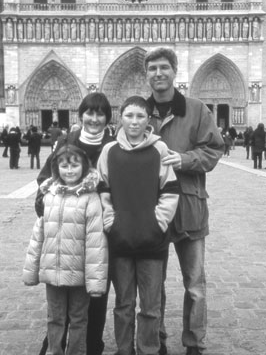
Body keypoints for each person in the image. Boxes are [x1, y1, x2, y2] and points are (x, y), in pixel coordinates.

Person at [144, 47, 224, 355]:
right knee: (153, 285)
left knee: (194, 284)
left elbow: (214, 149)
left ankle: (194, 343)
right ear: (146, 74)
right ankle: (157, 339)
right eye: (152, 68)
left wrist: (185, 159)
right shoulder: (139, 110)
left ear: (175, 71)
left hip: (190, 206)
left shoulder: (197, 108)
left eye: (164, 67)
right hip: (152, 212)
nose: (158, 73)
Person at [97, 95, 179, 355]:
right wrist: (111, 222)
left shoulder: (160, 149)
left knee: (151, 307)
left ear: (148, 120)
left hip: (153, 241)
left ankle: (149, 350)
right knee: (123, 304)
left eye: (140, 116)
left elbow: (170, 190)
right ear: (120, 117)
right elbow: (103, 190)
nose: (134, 121)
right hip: (120, 240)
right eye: (129, 115)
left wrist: (158, 223)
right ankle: (124, 351)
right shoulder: (109, 151)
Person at [35, 92, 114, 355]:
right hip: (66, 234)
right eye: (89, 113)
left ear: (107, 118)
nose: (94, 118)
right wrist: (43, 204)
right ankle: (54, 345)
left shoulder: (113, 146)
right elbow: (47, 177)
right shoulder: (65, 141)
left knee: (96, 296)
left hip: (98, 236)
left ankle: (91, 347)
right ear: (80, 115)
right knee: (60, 299)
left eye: (100, 113)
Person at [23, 144, 108, 355]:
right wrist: (31, 270)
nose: (69, 170)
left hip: (79, 273)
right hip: (53, 270)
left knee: (79, 319)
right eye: (64, 166)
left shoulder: (91, 198)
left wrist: (96, 279)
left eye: (74, 165)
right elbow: (38, 236)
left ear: (84, 167)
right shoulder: (49, 195)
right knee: (54, 318)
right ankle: (54, 351)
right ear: (56, 168)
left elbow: (96, 240)